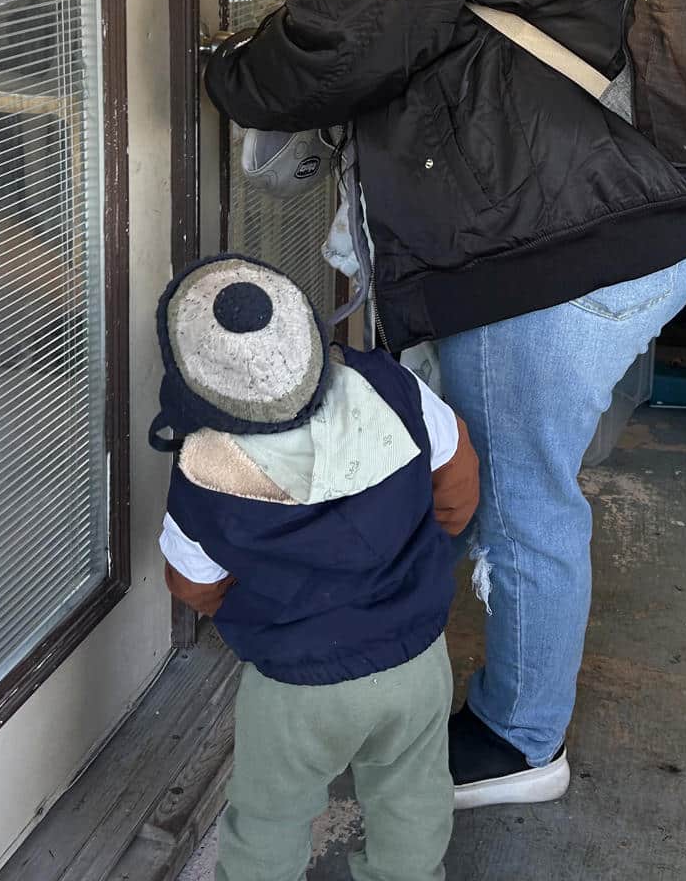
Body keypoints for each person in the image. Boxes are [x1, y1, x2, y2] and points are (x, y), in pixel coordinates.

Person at [203, 0, 686, 809]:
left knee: (519, 493)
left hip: (563, 240)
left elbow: (342, 42)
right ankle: (410, 666)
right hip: (622, 208)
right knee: (471, 462)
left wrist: (222, 70)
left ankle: (521, 741)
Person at [153, 254, 480, 881]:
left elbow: (194, 582)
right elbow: (456, 477)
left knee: (270, 816)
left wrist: (258, 610)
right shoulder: (389, 386)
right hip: (415, 661)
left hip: (294, 689)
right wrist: (428, 550)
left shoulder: (202, 468)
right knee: (413, 797)